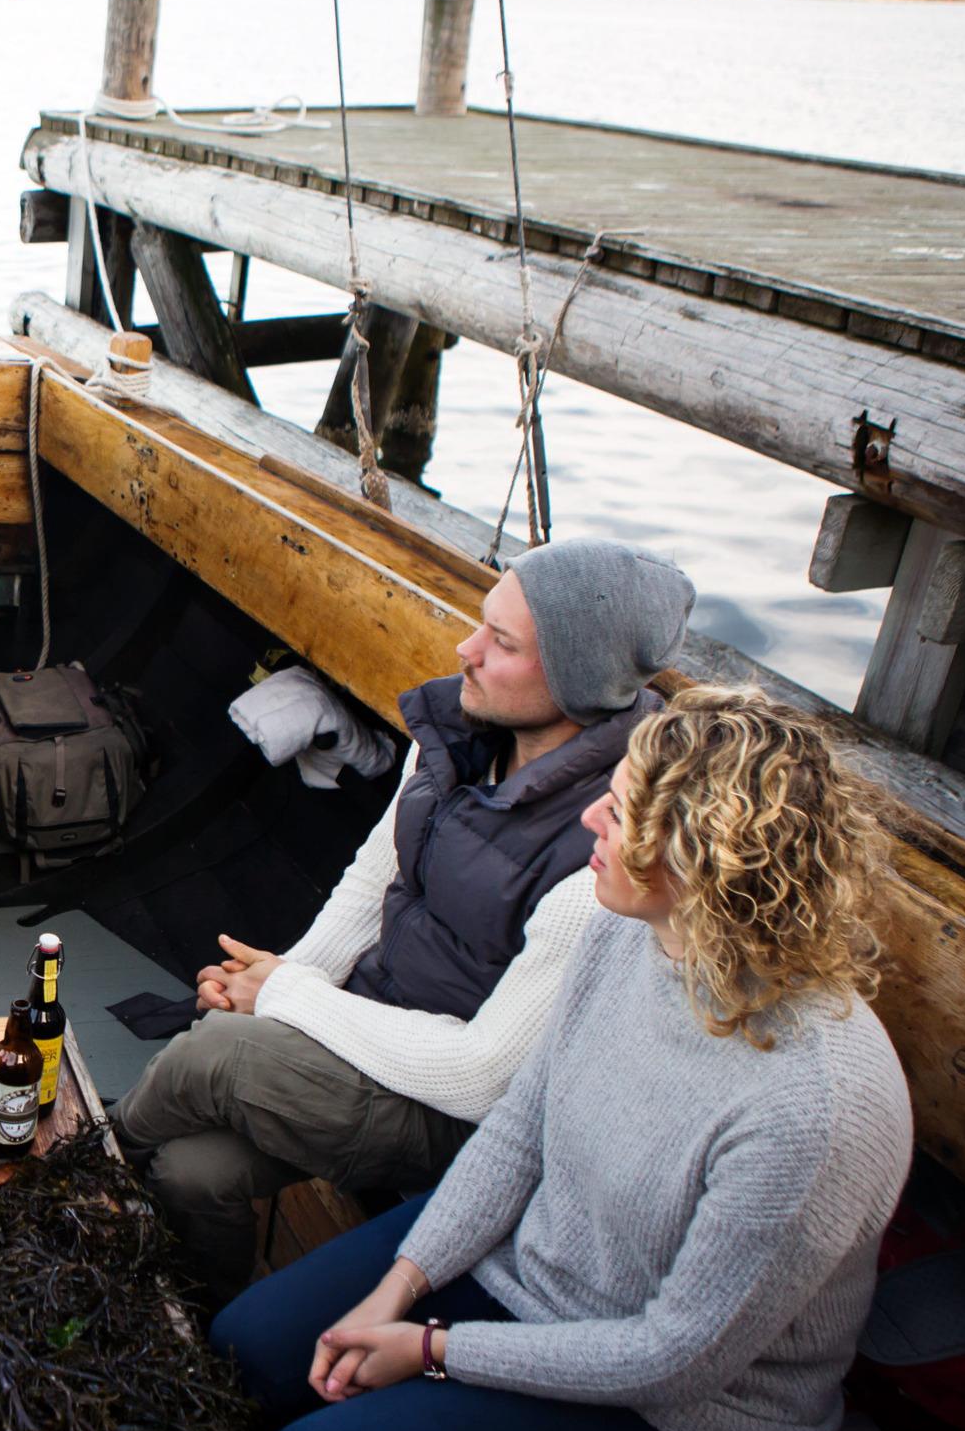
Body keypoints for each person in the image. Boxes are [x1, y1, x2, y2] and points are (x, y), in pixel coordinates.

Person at [209, 688, 915, 1431]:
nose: (587, 817)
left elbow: (672, 1356)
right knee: (241, 1349)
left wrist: (427, 1349)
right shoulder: (631, 933)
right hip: (530, 1270)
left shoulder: (808, 1109)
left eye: (617, 812)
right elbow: (520, 1130)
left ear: (697, 858)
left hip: (683, 1414)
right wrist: (399, 1286)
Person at [115, 538, 697, 1306]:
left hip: (452, 1104)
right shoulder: (457, 737)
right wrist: (287, 975)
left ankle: (69, 1167)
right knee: (195, 1172)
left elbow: (484, 1075)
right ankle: (205, 1316)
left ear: (578, 681)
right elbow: (371, 879)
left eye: (502, 642)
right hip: (369, 1022)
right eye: (480, 624)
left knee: (213, 1056)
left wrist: (286, 996)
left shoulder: (609, 839)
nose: (467, 649)